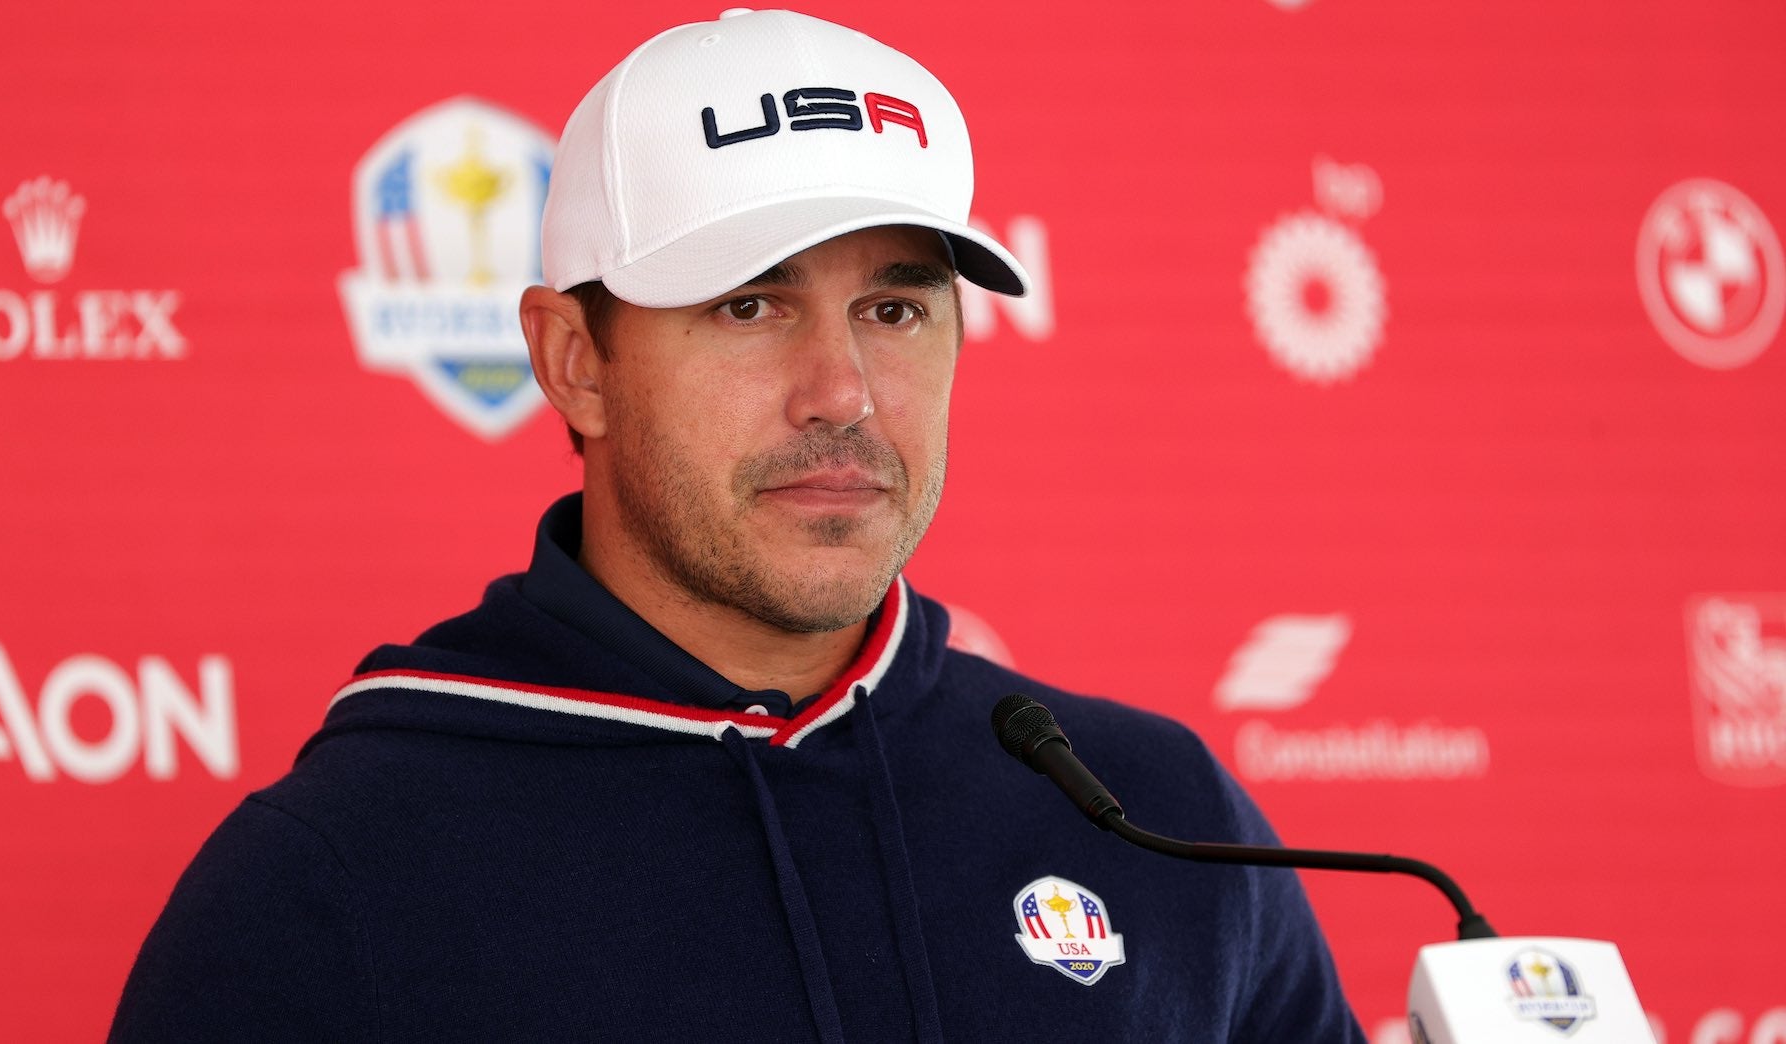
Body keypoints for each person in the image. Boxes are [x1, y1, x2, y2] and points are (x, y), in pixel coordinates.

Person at [110, 10, 1365, 1042]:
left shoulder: (1152, 809)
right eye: (749, 307)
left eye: (895, 307)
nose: (842, 394)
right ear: (571, 360)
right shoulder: (332, 880)